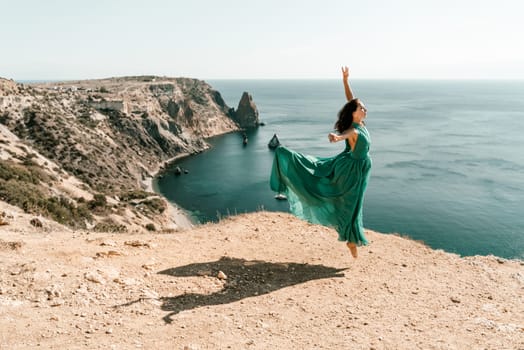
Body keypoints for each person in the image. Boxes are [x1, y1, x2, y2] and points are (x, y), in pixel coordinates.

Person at [270, 66, 371, 258]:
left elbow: (351, 100)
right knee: (350, 203)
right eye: (361, 108)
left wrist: (345, 81)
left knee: (355, 203)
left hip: (359, 169)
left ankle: (351, 237)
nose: (365, 109)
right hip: (352, 171)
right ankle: (350, 239)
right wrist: (336, 137)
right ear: (353, 114)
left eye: (364, 107)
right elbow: (346, 135)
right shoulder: (354, 130)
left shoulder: (360, 123)